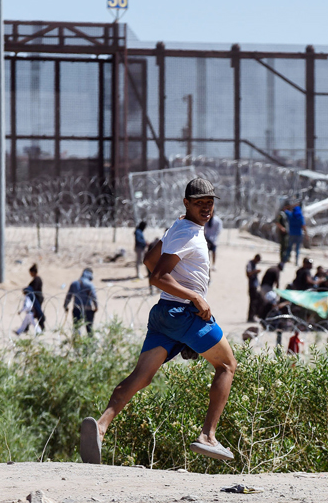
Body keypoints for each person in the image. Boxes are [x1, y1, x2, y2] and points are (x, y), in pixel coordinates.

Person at [80, 177, 237, 465]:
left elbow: (150, 260)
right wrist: (195, 297)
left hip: (165, 314)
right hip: (184, 313)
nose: (206, 208)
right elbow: (157, 276)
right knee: (227, 365)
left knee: (142, 377)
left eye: (210, 202)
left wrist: (182, 283)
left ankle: (100, 427)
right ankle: (208, 436)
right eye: (199, 203)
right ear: (186, 203)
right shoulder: (187, 233)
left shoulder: (179, 227)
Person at [64, 268, 98, 335]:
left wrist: (65, 305)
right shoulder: (90, 285)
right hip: (88, 309)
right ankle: (90, 344)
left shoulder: (74, 283)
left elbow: (69, 296)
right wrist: (96, 306)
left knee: (76, 328)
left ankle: (77, 343)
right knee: (89, 329)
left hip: (77, 308)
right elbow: (94, 297)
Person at [28, 264, 46, 332]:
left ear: (33, 272)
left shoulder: (37, 279)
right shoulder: (36, 279)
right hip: (36, 298)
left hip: (37, 298)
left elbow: (34, 289)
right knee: (34, 313)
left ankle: (26, 328)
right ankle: (26, 328)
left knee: (36, 313)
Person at [275, 199, 292, 269]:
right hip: (282, 233)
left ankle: (286, 258)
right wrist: (281, 228)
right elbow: (277, 222)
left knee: (287, 245)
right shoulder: (281, 214)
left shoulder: (287, 213)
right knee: (283, 245)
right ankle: (282, 259)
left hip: (287, 232)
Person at [246, 254, 262, 323]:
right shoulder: (250, 264)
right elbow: (248, 273)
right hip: (252, 286)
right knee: (253, 302)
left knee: (256, 301)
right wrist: (255, 271)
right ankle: (250, 317)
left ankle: (254, 315)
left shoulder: (254, 264)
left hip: (255, 285)